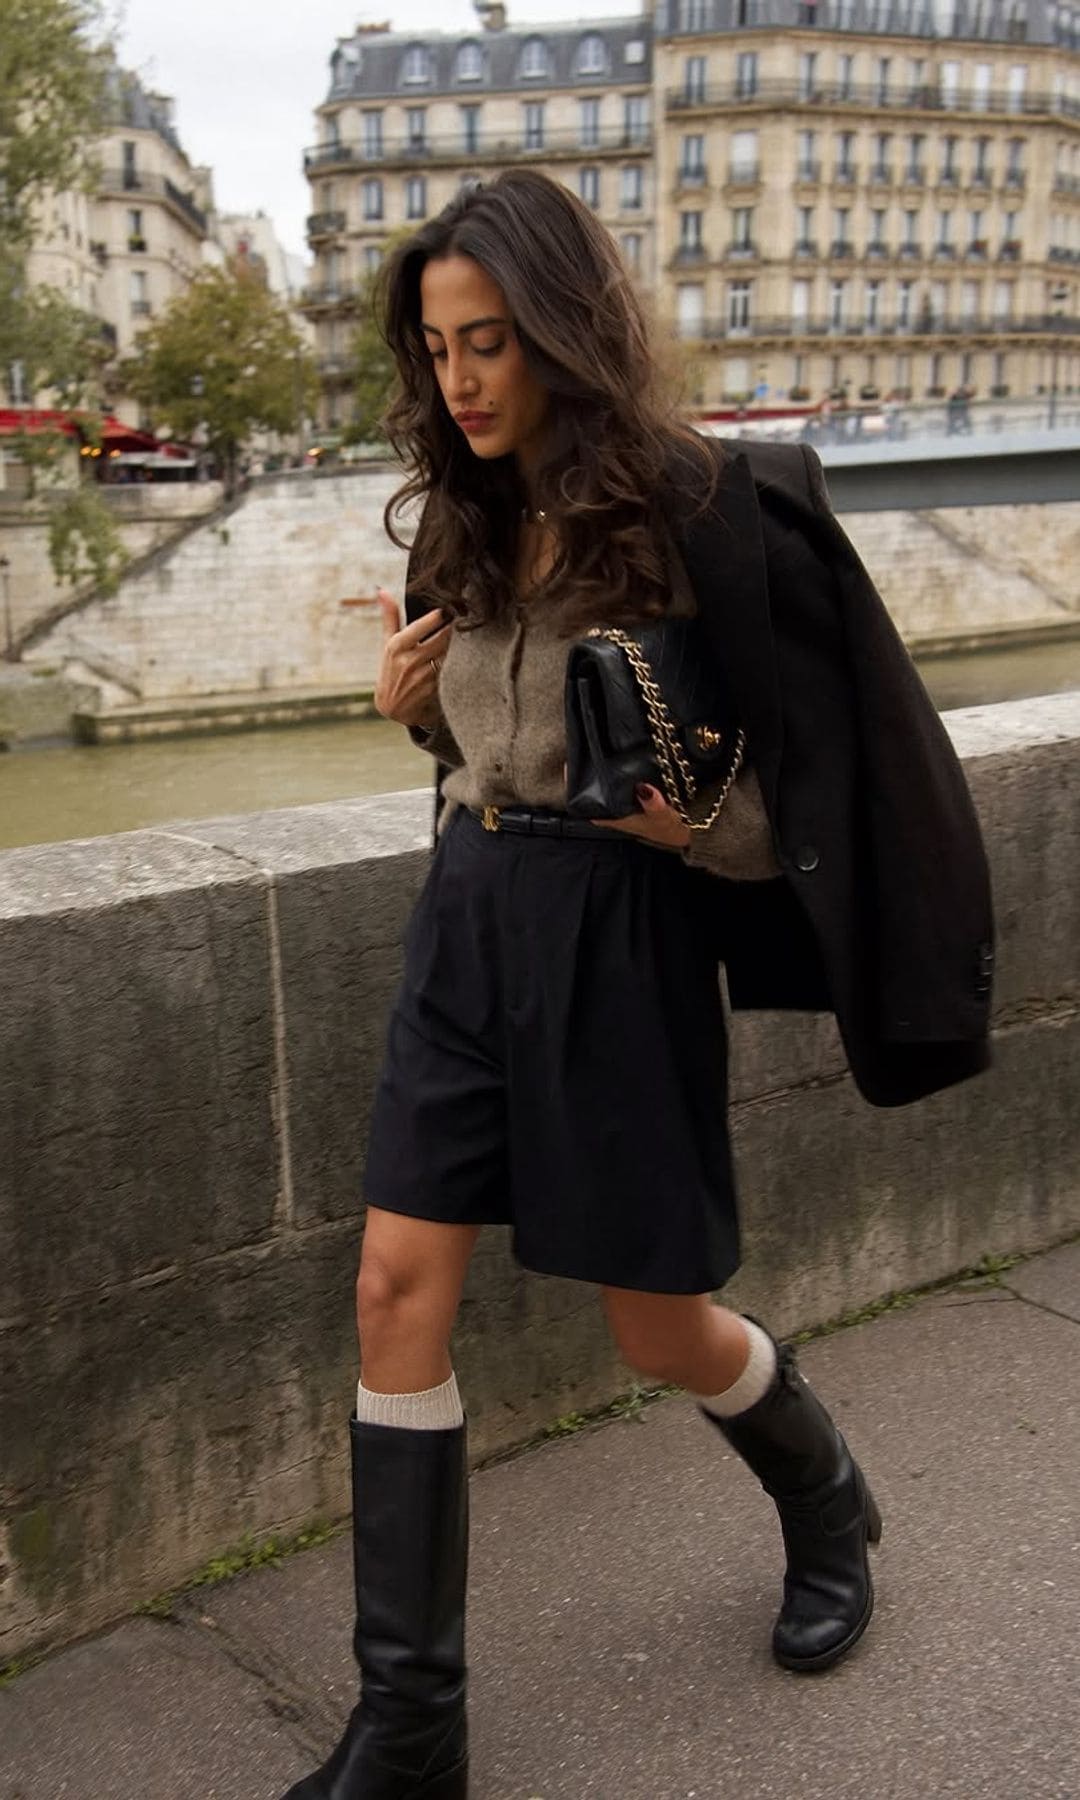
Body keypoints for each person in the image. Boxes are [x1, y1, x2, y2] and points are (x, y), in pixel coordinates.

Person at [282, 170, 993, 1800]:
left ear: (557, 330)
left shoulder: (705, 512)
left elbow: (828, 771)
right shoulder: (455, 514)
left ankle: (826, 1496)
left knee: (656, 1328)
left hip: (623, 930)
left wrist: (705, 827)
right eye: (436, 348)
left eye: (487, 344)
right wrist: (416, 713)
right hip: (470, 911)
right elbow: (496, 735)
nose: (457, 381)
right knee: (397, 1287)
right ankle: (412, 1730)